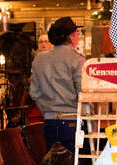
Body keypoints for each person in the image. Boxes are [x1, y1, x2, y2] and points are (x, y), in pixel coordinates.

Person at [29, 15, 84, 153]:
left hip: (50, 122)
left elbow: (34, 93)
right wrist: (91, 120)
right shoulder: (77, 60)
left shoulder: (39, 59)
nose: (78, 36)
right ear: (71, 36)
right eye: (77, 33)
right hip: (73, 121)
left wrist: (47, 111)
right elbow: (83, 94)